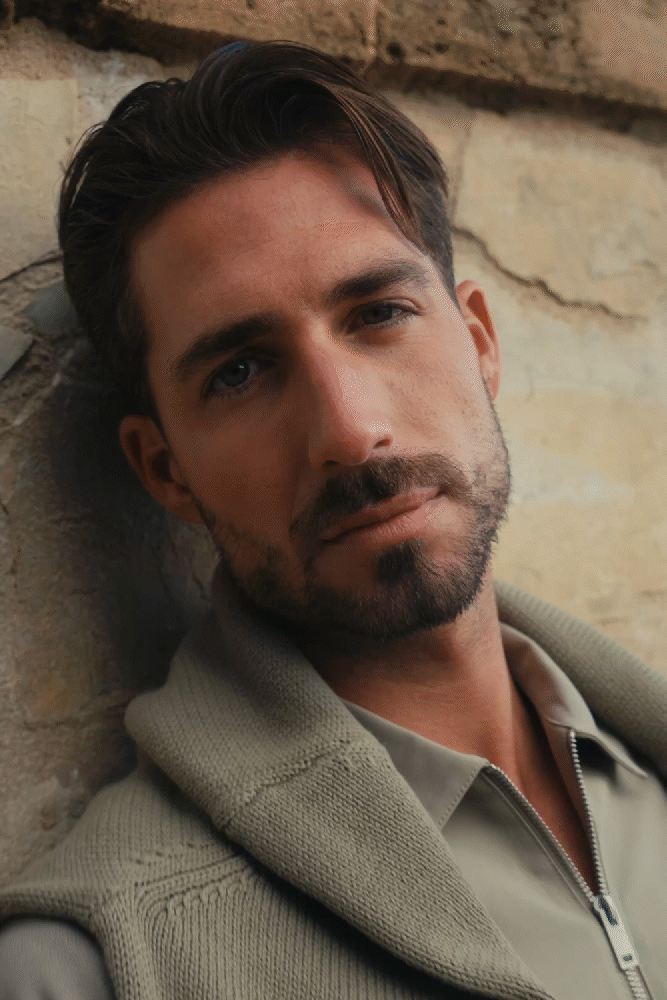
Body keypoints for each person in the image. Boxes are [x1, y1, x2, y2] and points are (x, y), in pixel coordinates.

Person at [0, 38, 666, 1000]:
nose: (350, 434)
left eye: (378, 314)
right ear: (165, 469)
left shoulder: (645, 769)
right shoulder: (88, 970)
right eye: (240, 371)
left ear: (479, 343)